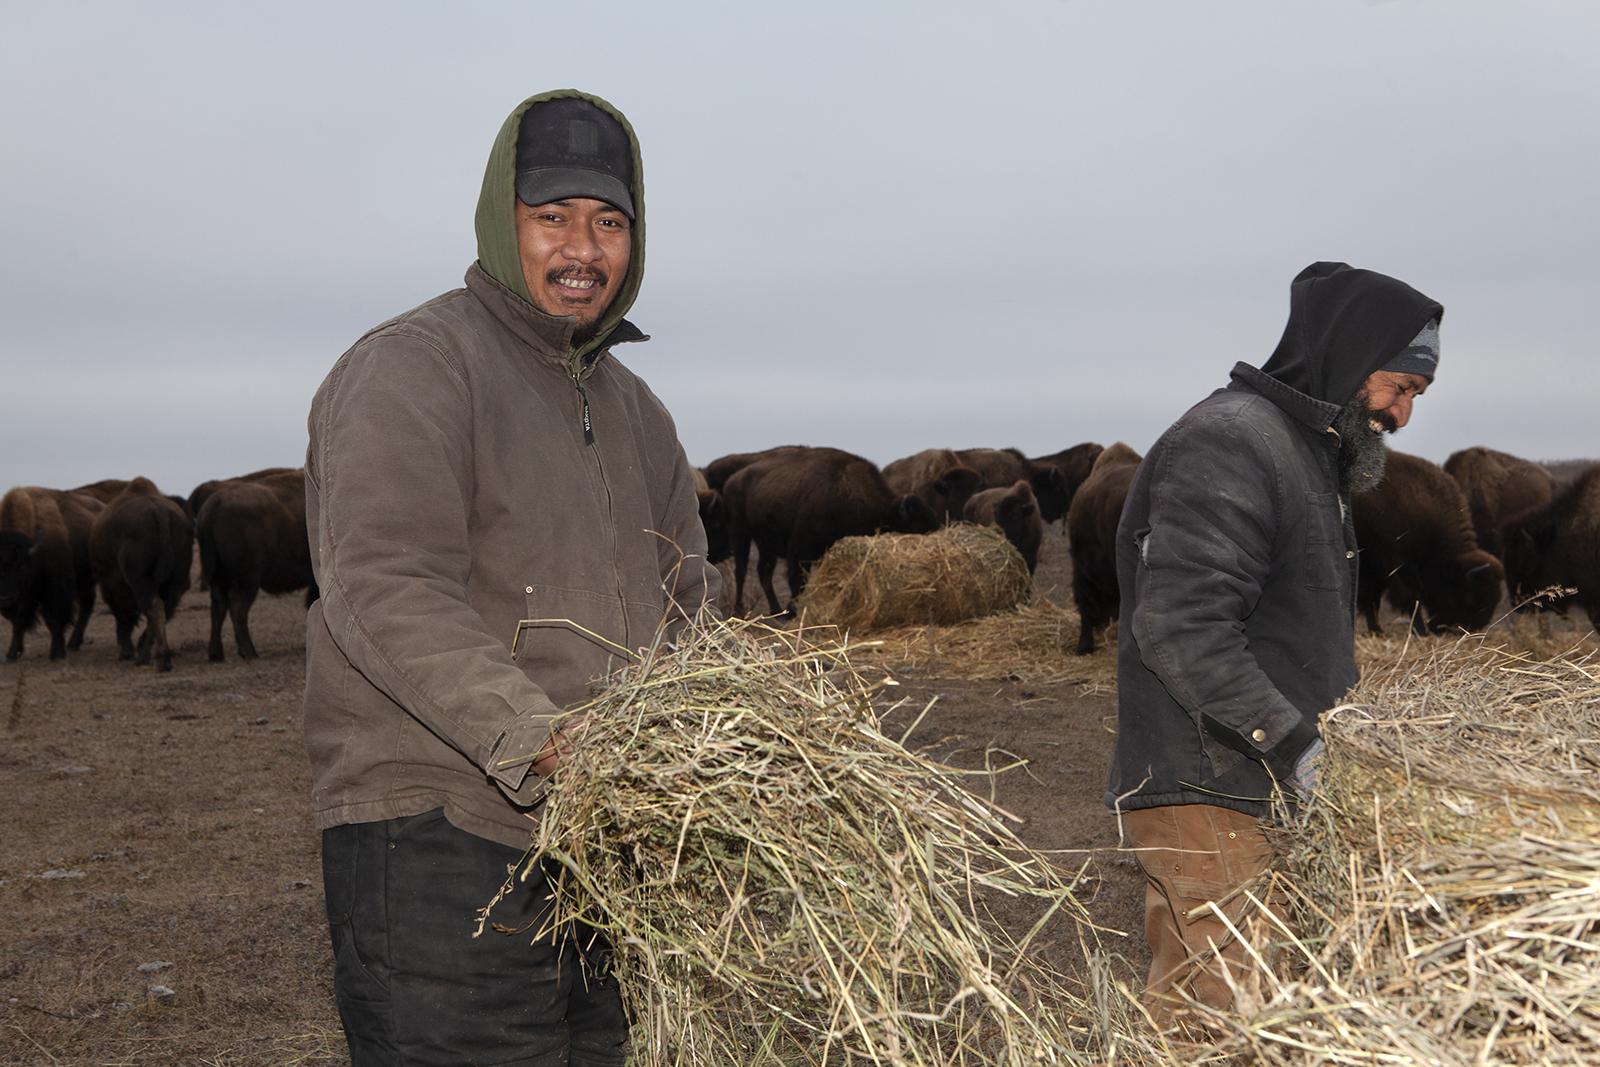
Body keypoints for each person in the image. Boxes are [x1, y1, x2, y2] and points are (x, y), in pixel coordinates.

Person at [302, 90, 718, 1066]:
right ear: (504, 220)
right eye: (554, 217)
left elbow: (685, 593)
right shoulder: (415, 368)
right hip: (438, 836)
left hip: (596, 846)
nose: (584, 246)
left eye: (609, 222)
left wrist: (695, 737)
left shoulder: (636, 409)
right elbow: (383, 580)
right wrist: (536, 736)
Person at [1106, 261, 1442, 1029]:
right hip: (1212, 786)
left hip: (1259, 787)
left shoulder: (1305, 455)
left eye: (1415, 396)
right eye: (1400, 387)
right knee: (1214, 1018)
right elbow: (1182, 627)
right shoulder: (1231, 443)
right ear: (1351, 359)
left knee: (1270, 1010)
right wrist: (1297, 744)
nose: (1402, 413)